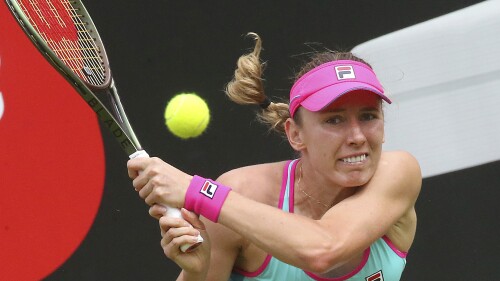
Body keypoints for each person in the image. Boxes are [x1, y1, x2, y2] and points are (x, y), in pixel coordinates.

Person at [127, 33, 421, 281]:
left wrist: (196, 191)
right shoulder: (243, 193)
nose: (357, 136)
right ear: (295, 135)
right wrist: (195, 273)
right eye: (335, 120)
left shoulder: (398, 172)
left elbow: (323, 250)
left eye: (369, 116)